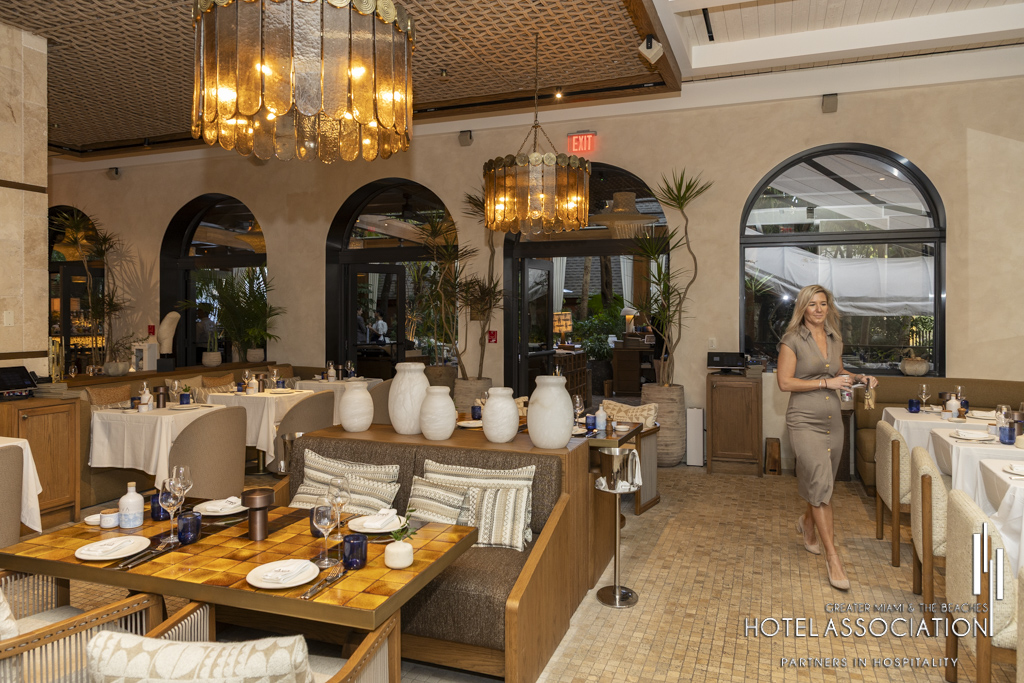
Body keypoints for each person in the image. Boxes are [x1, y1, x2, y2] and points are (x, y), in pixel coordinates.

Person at [776, 284, 877, 591]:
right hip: (804, 421)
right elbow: (785, 382)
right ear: (802, 308)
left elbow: (838, 370)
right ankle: (833, 559)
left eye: (823, 304)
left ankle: (807, 523)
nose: (818, 309)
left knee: (824, 485)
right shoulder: (792, 340)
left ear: (828, 308)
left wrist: (858, 377)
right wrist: (825, 383)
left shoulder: (835, 338)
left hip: (833, 421)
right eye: (812, 304)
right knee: (820, 484)